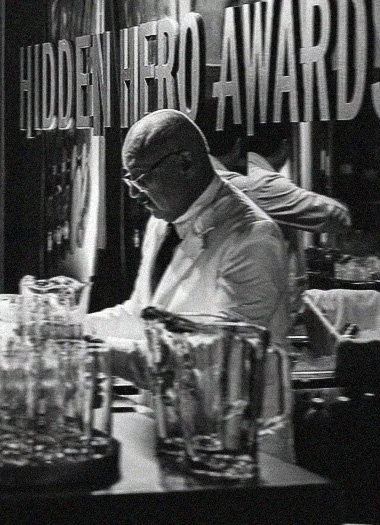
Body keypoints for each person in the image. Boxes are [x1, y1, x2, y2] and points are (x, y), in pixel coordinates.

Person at [83, 109, 293, 459]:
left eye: (143, 179)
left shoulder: (253, 237)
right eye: (130, 180)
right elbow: (140, 314)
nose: (135, 194)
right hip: (174, 432)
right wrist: (69, 328)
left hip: (236, 446)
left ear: (185, 163)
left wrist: (101, 353)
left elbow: (217, 359)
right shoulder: (162, 222)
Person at [234, 124, 352, 329]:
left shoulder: (240, 174)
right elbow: (336, 216)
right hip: (266, 313)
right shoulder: (261, 182)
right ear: (284, 147)